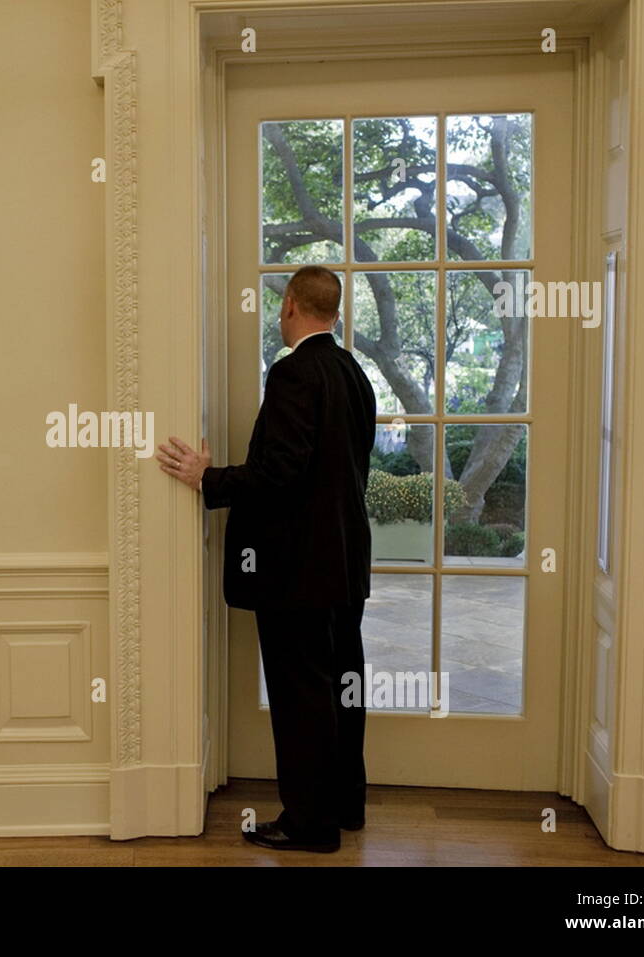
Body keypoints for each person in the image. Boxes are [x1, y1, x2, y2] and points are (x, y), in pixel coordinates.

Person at [156, 265, 375, 853]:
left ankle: (310, 825)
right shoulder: (355, 374)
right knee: (342, 685)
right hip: (347, 563)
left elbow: (280, 472)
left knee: (302, 694)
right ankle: (345, 804)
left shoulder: (293, 373)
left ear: (294, 309)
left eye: (282, 308)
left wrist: (209, 478)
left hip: (300, 569)